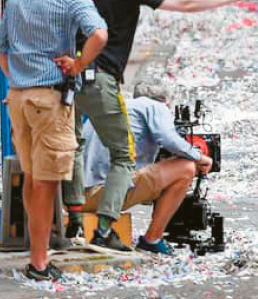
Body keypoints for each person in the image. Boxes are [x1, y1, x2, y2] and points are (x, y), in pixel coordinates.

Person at [61, 0, 251, 250]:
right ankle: (105, 229)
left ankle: (74, 215)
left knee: (74, 146)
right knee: (123, 154)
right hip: (101, 79)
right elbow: (185, 3)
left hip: (69, 77)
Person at [0, 0, 109, 282]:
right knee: (46, 184)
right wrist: (77, 64)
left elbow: (1, 48)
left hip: (18, 96)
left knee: (32, 179)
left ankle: (38, 254)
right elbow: (99, 34)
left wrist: (18, 78)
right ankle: (40, 262)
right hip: (49, 98)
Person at [79, 88, 213, 255]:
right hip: (102, 194)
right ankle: (152, 239)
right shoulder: (152, 106)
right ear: (165, 101)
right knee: (186, 168)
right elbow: (168, 139)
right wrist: (200, 157)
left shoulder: (117, 108)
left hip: (77, 197)